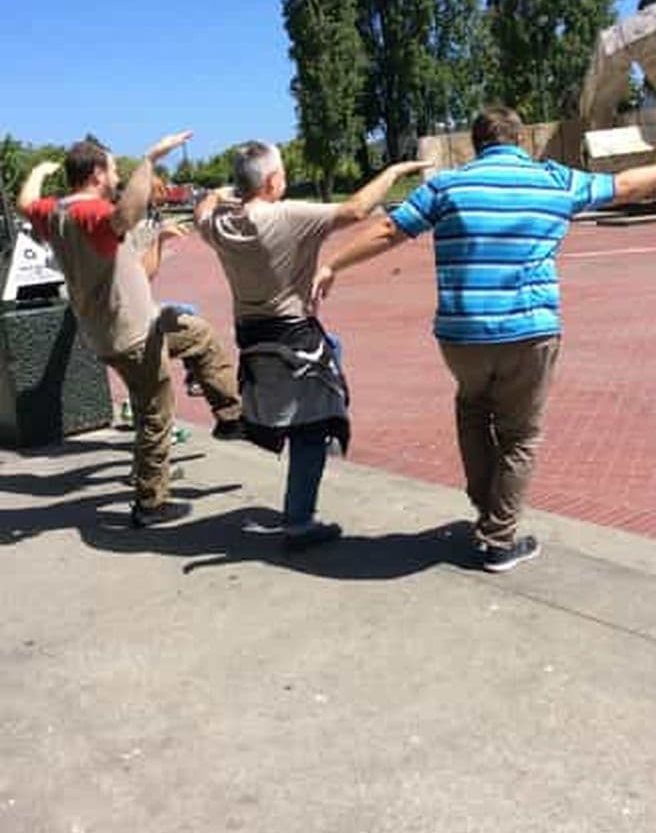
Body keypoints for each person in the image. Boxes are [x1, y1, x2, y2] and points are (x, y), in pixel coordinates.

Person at [312, 105, 656, 572]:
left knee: (473, 412)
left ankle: (488, 510)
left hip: (462, 334)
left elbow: (388, 230)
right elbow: (621, 185)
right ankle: (500, 539)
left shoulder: (447, 185)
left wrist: (332, 263)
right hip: (529, 333)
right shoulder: (553, 180)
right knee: (520, 435)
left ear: (477, 144)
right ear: (520, 141)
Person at [194, 142, 428, 550]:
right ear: (271, 181)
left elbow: (201, 212)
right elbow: (356, 209)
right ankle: (299, 523)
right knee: (311, 432)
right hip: (293, 338)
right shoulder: (287, 216)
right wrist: (392, 173)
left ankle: (289, 426)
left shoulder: (219, 226)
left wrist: (216, 195)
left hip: (253, 337)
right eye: (281, 172)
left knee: (330, 351)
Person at [17, 133, 243, 528]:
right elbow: (129, 213)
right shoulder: (89, 214)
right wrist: (150, 159)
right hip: (132, 336)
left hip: (129, 327)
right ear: (97, 174)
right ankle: (150, 504)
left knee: (199, 335)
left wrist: (37, 171)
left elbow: (24, 203)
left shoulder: (54, 212)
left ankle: (230, 417)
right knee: (154, 413)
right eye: (113, 168)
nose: (118, 174)